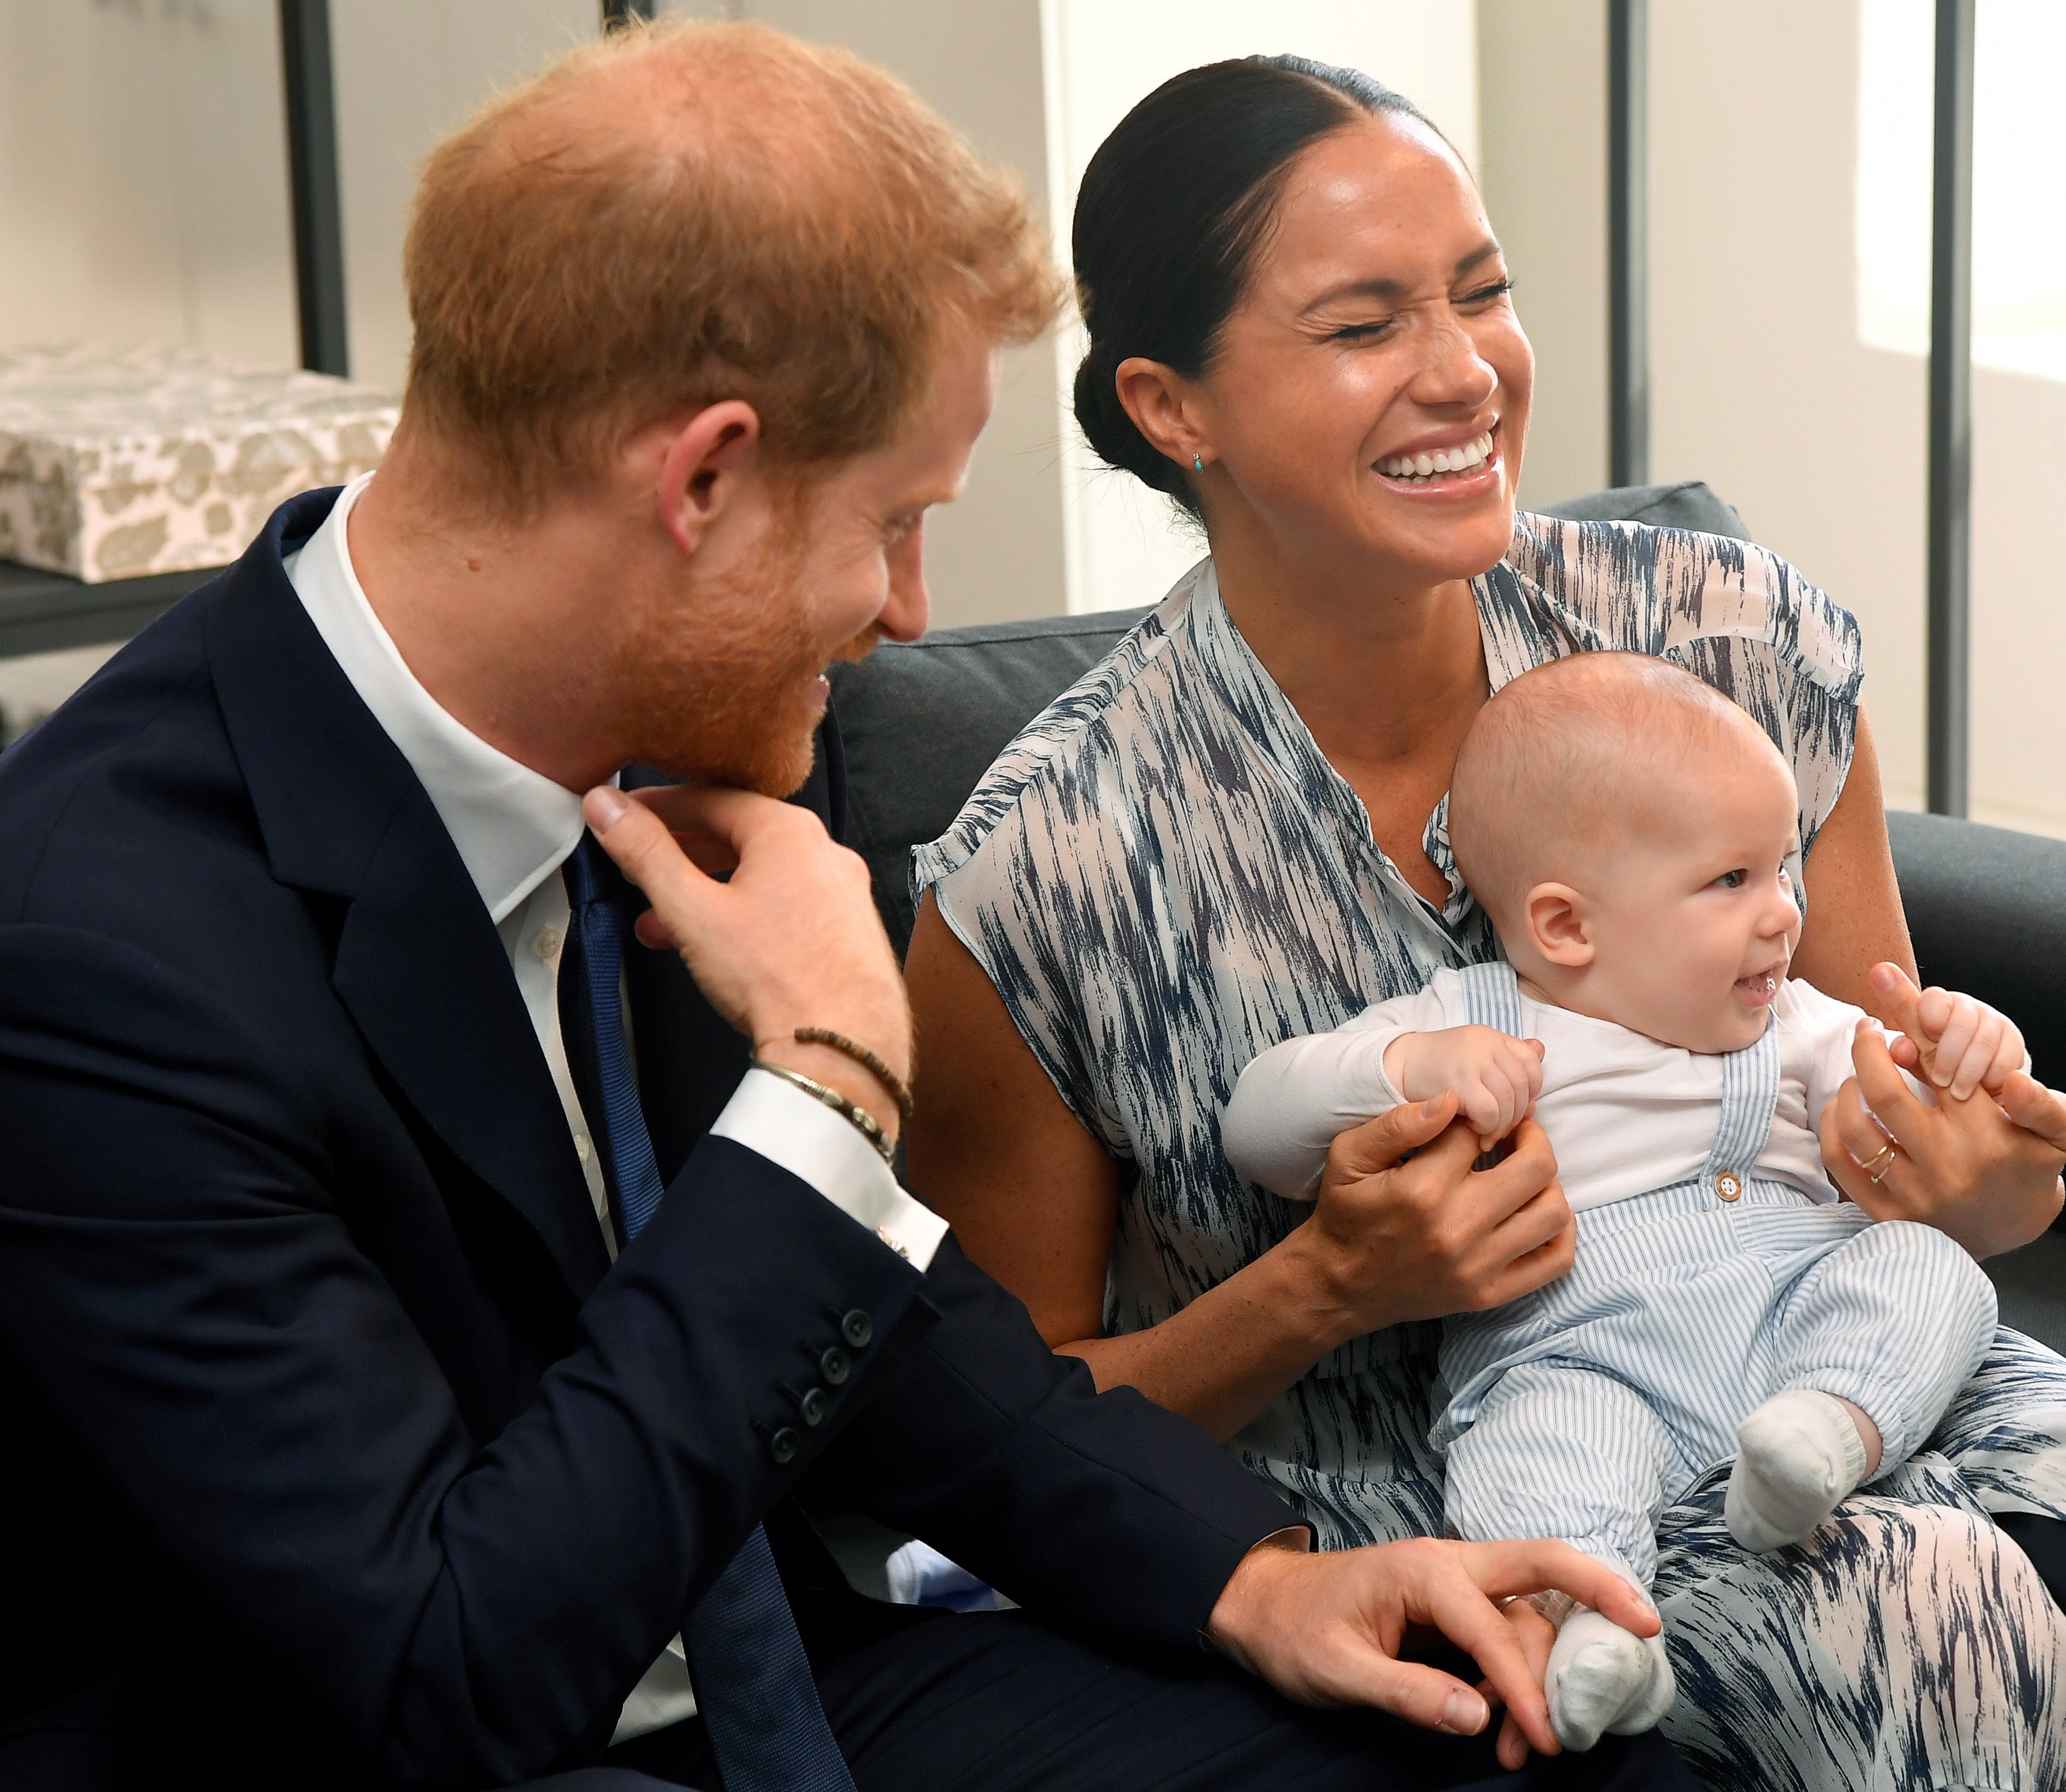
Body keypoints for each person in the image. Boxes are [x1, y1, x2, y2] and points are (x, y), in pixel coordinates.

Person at [0, 24, 1692, 1792]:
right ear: (702, 479)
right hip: (399, 1728)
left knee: (1532, 1754)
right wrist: (818, 1096)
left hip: (791, 1678)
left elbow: (907, 1329)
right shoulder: (99, 957)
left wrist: (1258, 1578)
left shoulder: (694, 723)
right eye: (893, 522)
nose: (907, 609)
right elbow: (445, 1663)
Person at [906, 53, 2066, 1789]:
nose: (1464, 371)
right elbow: (994, 1437)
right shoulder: (1045, 870)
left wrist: (1980, 1174)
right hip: (1496, 1485)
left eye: (1482, 293)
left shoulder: (1725, 642)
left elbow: (1918, 1130)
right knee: (1923, 1602)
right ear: (1171, 406)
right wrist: (1321, 1290)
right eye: (1364, 323)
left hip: (1855, 1359)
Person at [1223, 652, 2034, 1748]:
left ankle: (1827, 1434)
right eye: (1730, 881)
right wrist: (1408, 1066)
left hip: (1794, 1309)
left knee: (1931, 1272)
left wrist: (1965, 1051)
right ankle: (1596, 1628)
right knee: (1533, 1446)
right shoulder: (1475, 1020)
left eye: (1781, 870)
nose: (1783, 916)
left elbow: (1907, 1104)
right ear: (1564, 928)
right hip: (1577, 1352)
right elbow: (1258, 1126)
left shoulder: (1791, 1022)